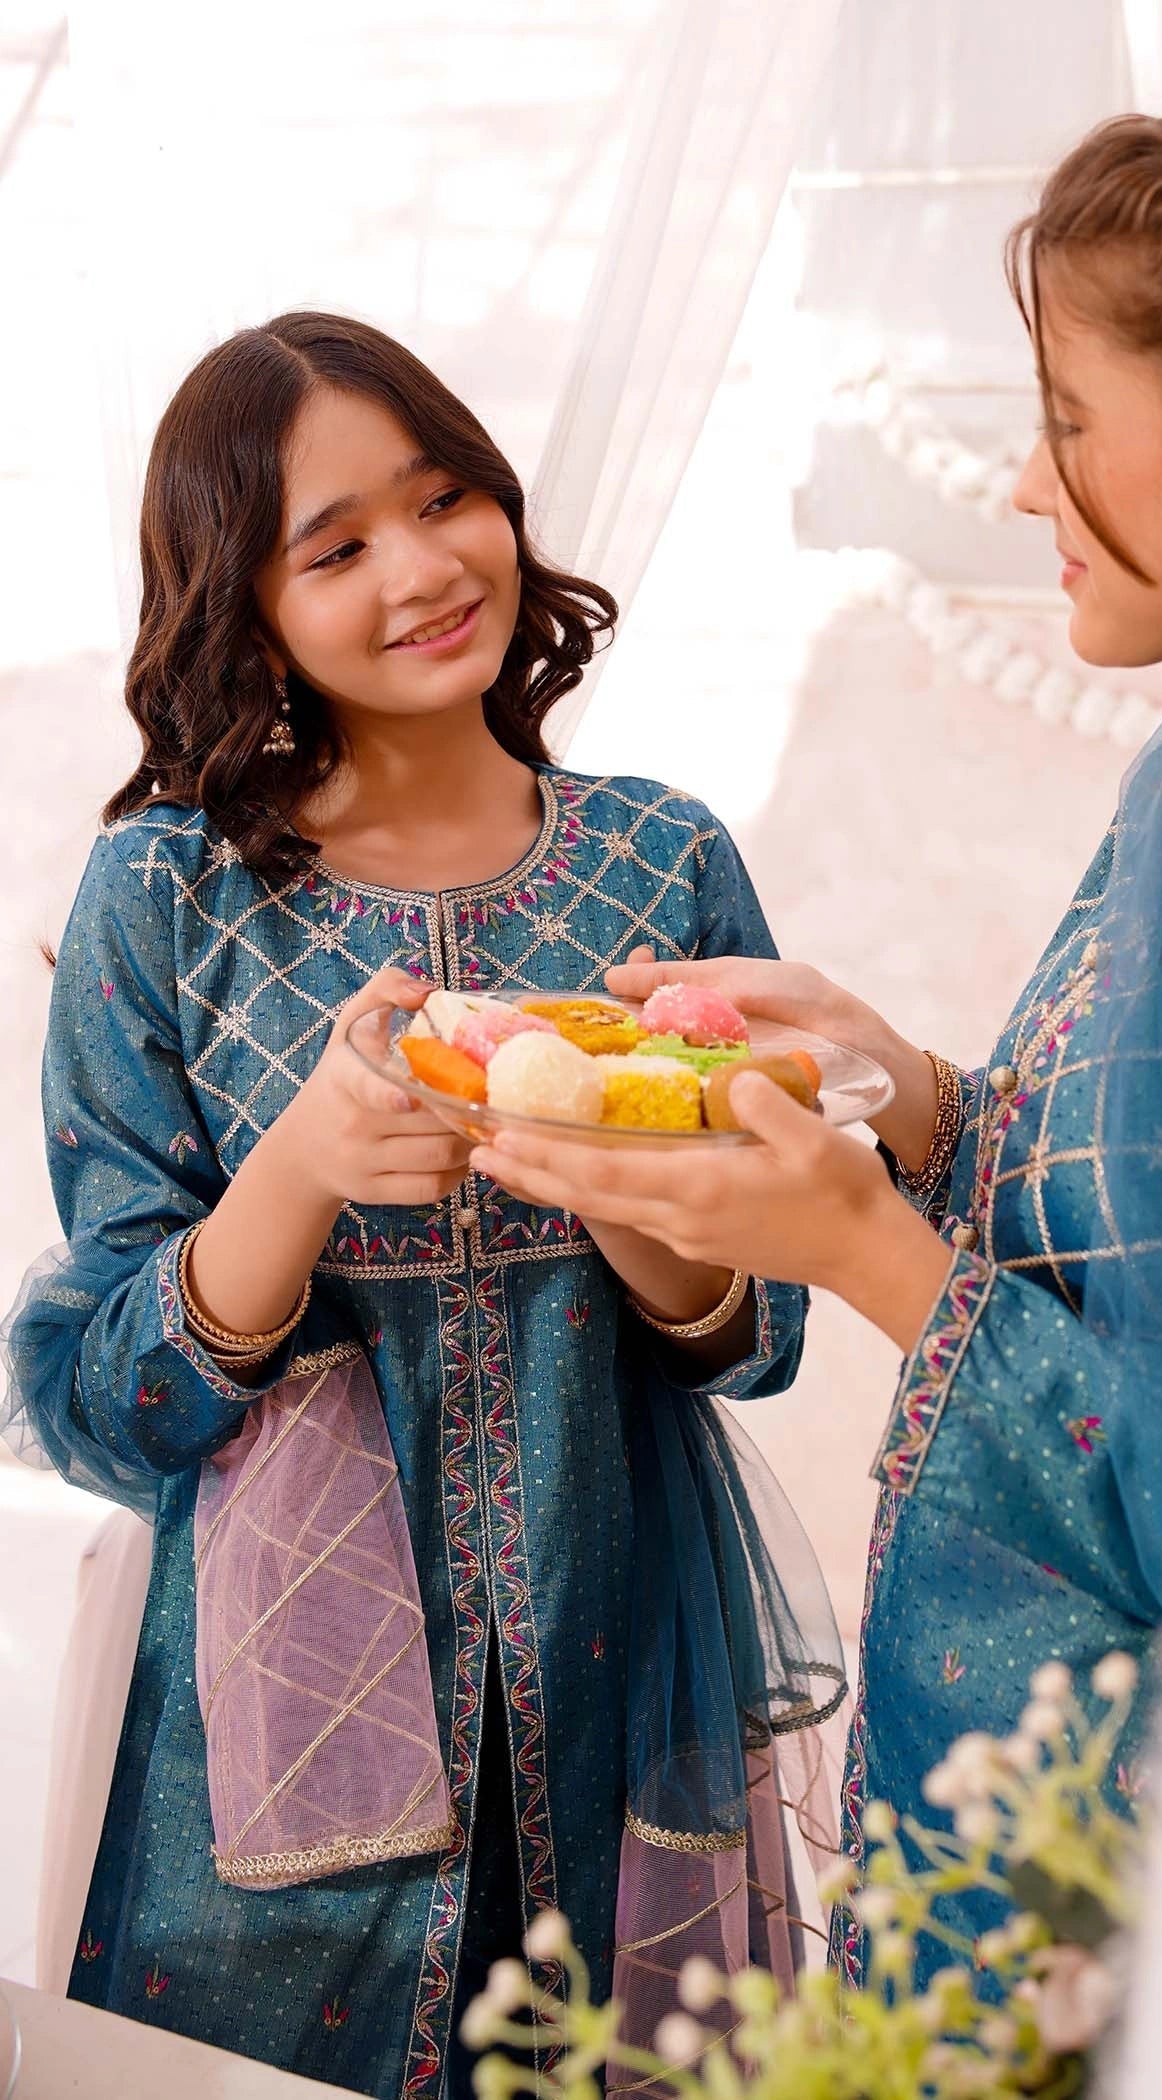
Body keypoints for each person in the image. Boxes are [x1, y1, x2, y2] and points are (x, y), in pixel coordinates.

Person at [467, 78, 1162, 1985]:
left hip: (1144, 1890)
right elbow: (1129, 1240)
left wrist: (862, 1252)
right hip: (978, 1774)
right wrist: (912, 1102)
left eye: (1066, 420)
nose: (1020, 486)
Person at [1, 311, 842, 2096]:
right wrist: (304, 1165)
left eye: (445, 495)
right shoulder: (168, 895)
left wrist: (621, 1185)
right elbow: (106, 1400)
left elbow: (757, 1333)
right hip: (282, 1730)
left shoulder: (663, 857)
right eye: (336, 547)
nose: (422, 566)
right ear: (247, 612)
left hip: (621, 1658)